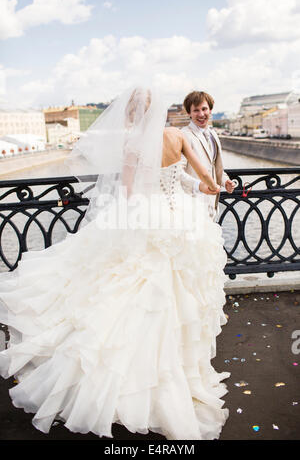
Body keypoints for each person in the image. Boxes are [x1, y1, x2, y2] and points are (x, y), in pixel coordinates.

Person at [0, 86, 230, 440]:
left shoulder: (132, 145)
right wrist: (211, 188)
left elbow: (127, 192)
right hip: (182, 222)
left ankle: (134, 377)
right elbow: (198, 177)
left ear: (132, 114)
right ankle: (179, 369)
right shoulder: (176, 135)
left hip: (147, 220)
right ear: (159, 111)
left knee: (133, 296)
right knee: (176, 298)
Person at [180, 91, 235, 221]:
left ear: (210, 110)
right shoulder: (183, 135)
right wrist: (199, 186)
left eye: (204, 109)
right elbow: (177, 173)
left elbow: (214, 166)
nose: (201, 114)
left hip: (211, 205)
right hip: (191, 206)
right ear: (189, 113)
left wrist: (225, 181)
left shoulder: (213, 134)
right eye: (196, 110)